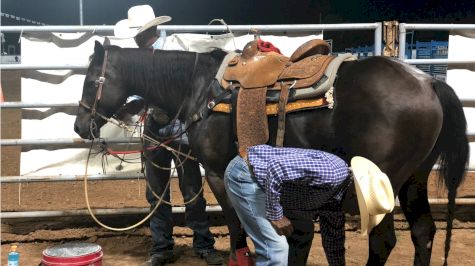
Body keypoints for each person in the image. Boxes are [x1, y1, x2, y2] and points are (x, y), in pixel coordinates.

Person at [115, 5, 223, 266]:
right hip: (154, 128)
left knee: (192, 189)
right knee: (156, 192)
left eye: (140, 32)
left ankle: (202, 242)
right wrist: (134, 103)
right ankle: (162, 246)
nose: (138, 37)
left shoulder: (177, 49)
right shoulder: (141, 57)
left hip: (180, 127)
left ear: (152, 29)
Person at [224, 145, 350, 266]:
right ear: (355, 196)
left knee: (303, 230)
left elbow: (334, 243)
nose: (355, 214)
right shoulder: (332, 173)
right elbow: (276, 167)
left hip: (267, 185)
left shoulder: (338, 202)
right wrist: (276, 215)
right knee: (276, 248)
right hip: (247, 174)